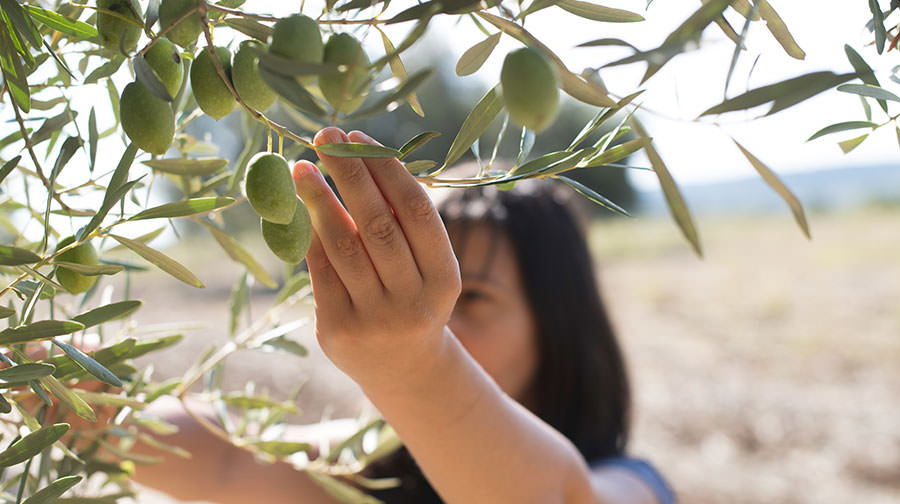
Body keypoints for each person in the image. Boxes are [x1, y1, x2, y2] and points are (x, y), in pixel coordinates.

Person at [130, 127, 676, 504]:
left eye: (473, 297)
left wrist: (414, 363)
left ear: (558, 328)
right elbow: (229, 459)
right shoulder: (370, 473)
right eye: (422, 285)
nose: (434, 317)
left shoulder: (630, 483)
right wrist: (74, 395)